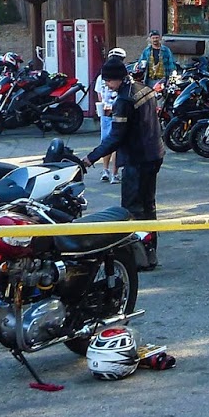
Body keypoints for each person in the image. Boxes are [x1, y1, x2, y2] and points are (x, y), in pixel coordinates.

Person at [82, 57, 165, 269]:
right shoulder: (143, 89)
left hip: (137, 158)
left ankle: (140, 258)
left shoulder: (124, 100)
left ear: (118, 78)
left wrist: (91, 158)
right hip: (155, 153)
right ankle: (151, 252)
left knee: (132, 209)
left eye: (108, 81)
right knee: (149, 205)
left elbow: (115, 137)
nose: (107, 85)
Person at [93, 48, 129, 183]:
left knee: (106, 142)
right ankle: (114, 173)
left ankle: (105, 170)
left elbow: (100, 96)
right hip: (117, 112)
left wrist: (103, 106)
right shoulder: (123, 78)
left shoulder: (101, 77)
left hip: (105, 113)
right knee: (115, 143)